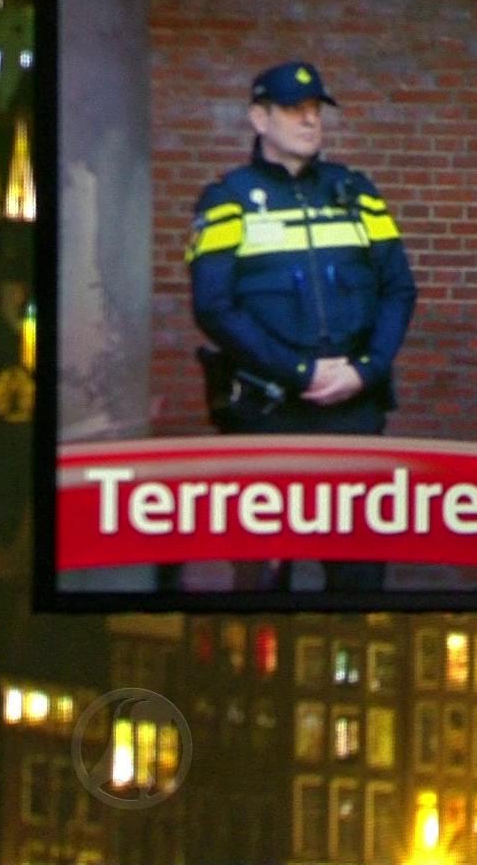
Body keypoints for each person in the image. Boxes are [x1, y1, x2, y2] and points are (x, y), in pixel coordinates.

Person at [178, 60, 418, 593]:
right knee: (263, 578)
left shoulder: (356, 192)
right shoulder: (228, 199)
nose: (310, 121)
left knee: (359, 574)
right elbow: (213, 307)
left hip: (353, 412)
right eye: (294, 110)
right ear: (259, 119)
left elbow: (399, 289)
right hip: (268, 415)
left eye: (315, 110)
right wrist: (299, 372)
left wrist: (367, 369)